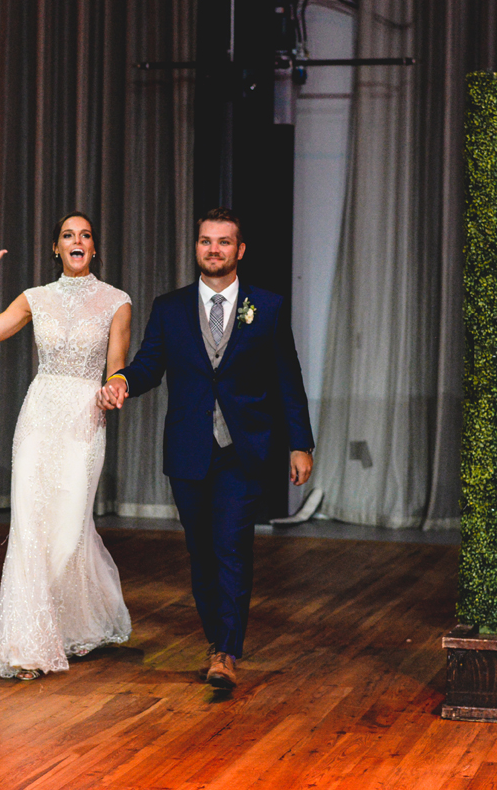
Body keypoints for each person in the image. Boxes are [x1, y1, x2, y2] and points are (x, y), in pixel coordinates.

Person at [95, 208, 314, 690]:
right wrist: (122, 380)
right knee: (201, 551)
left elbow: (287, 379)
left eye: (223, 242)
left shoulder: (268, 306)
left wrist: (300, 443)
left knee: (231, 545)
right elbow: (150, 364)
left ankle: (225, 652)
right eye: (205, 241)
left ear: (240, 250)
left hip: (244, 449)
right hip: (190, 448)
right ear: (197, 248)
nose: (213, 249)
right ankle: (217, 639)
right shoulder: (169, 308)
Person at [0, 213, 133, 680]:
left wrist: (115, 387)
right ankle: (26, 647)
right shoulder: (35, 298)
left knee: (66, 533)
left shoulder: (116, 301)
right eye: (67, 235)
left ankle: (65, 622)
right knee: (28, 532)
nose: (76, 241)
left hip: (84, 418)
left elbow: (117, 364)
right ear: (55, 248)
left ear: (93, 248)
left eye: (84, 235)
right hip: (38, 419)